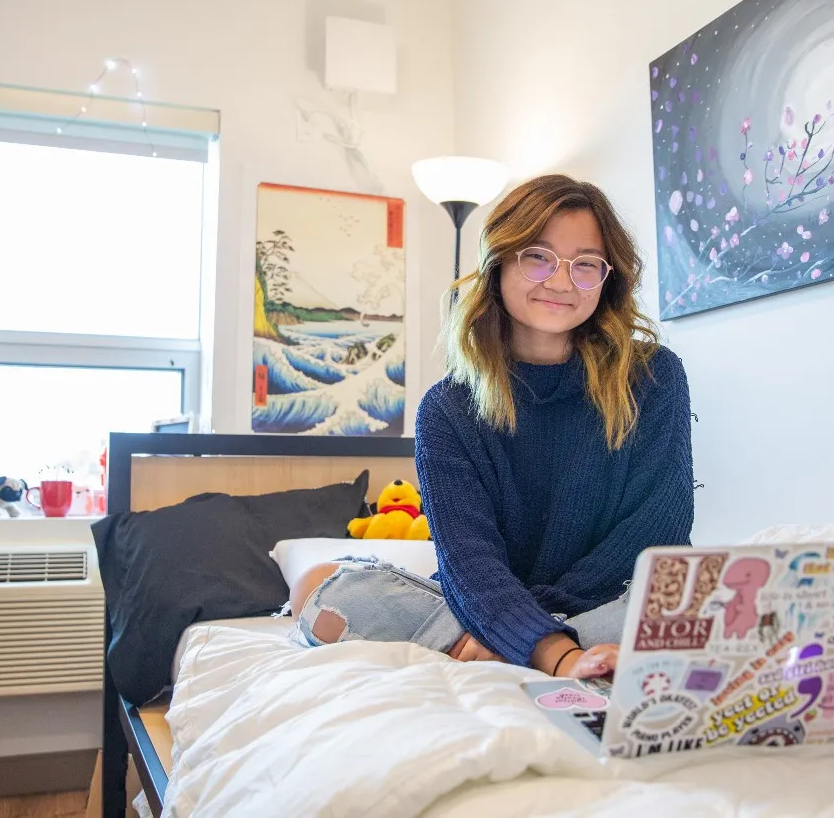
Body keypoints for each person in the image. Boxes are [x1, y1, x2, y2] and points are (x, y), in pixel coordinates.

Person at [290, 174, 695, 681]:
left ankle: (492, 649)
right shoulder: (446, 409)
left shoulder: (654, 377)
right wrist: (547, 645)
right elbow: (468, 559)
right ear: (498, 263)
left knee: (693, 601)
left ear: (607, 279)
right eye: (538, 256)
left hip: (602, 599)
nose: (562, 281)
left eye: (585, 264)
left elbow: (657, 532)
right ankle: (570, 654)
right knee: (318, 585)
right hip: (485, 598)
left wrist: (523, 628)